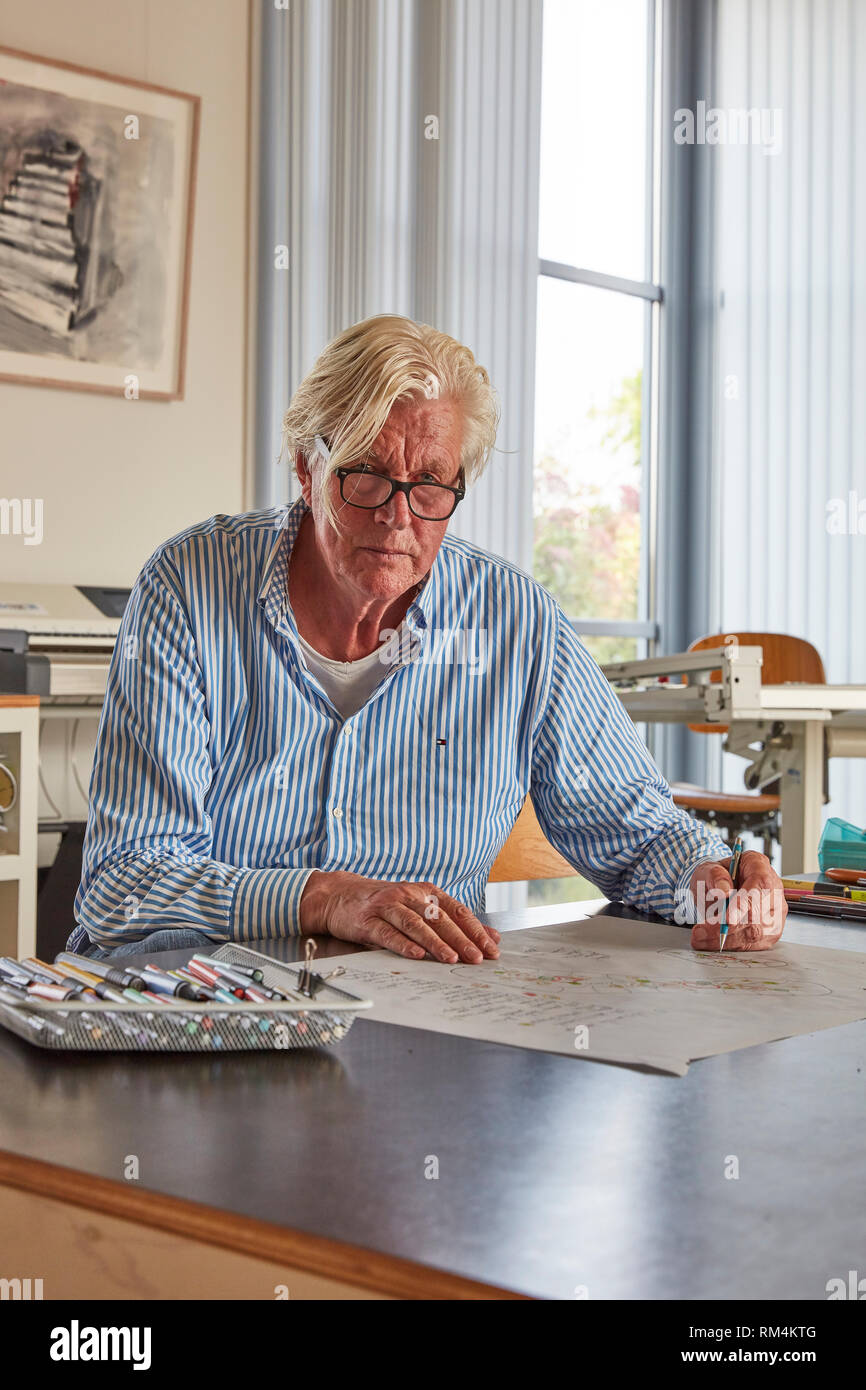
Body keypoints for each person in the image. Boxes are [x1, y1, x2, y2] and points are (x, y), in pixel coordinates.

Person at [67, 313, 786, 963]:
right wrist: (325, 898)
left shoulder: (516, 624)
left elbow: (640, 835)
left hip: (424, 1029)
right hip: (190, 1015)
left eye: (432, 484)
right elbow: (125, 881)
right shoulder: (189, 587)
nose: (398, 518)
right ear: (306, 469)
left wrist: (713, 882)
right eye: (368, 476)